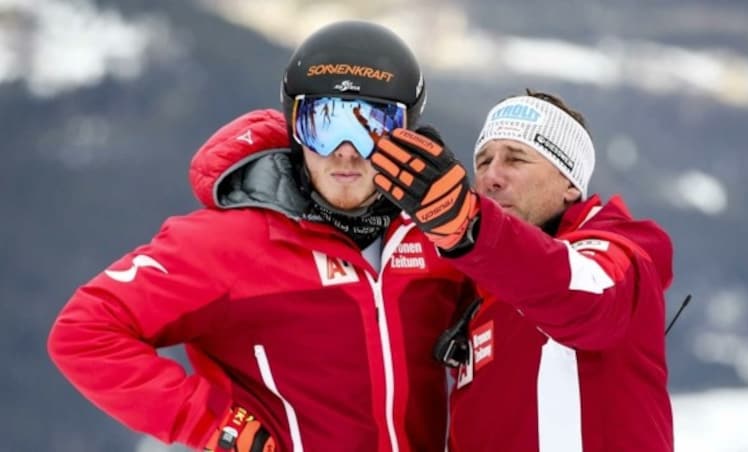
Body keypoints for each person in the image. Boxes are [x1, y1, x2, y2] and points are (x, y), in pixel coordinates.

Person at [47, 21, 475, 452]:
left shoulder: (437, 239)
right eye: (323, 123)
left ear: (406, 134)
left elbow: (528, 306)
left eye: (371, 128)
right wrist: (210, 423)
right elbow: (85, 330)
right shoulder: (233, 243)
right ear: (294, 129)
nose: (345, 150)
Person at [369, 90, 675, 451]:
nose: (491, 178)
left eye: (516, 159)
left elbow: (584, 294)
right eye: (482, 162)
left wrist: (468, 225)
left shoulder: (618, 255)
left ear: (571, 183)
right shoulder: (482, 292)